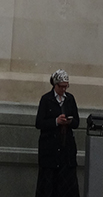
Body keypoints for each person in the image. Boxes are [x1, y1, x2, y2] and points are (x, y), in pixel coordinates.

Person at [35, 69, 80, 197]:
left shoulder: (70, 99)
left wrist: (69, 122)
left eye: (66, 86)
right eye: (61, 86)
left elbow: (77, 122)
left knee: (67, 187)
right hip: (50, 150)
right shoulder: (46, 99)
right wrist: (56, 121)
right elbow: (39, 123)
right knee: (48, 186)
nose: (64, 89)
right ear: (55, 85)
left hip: (66, 150)